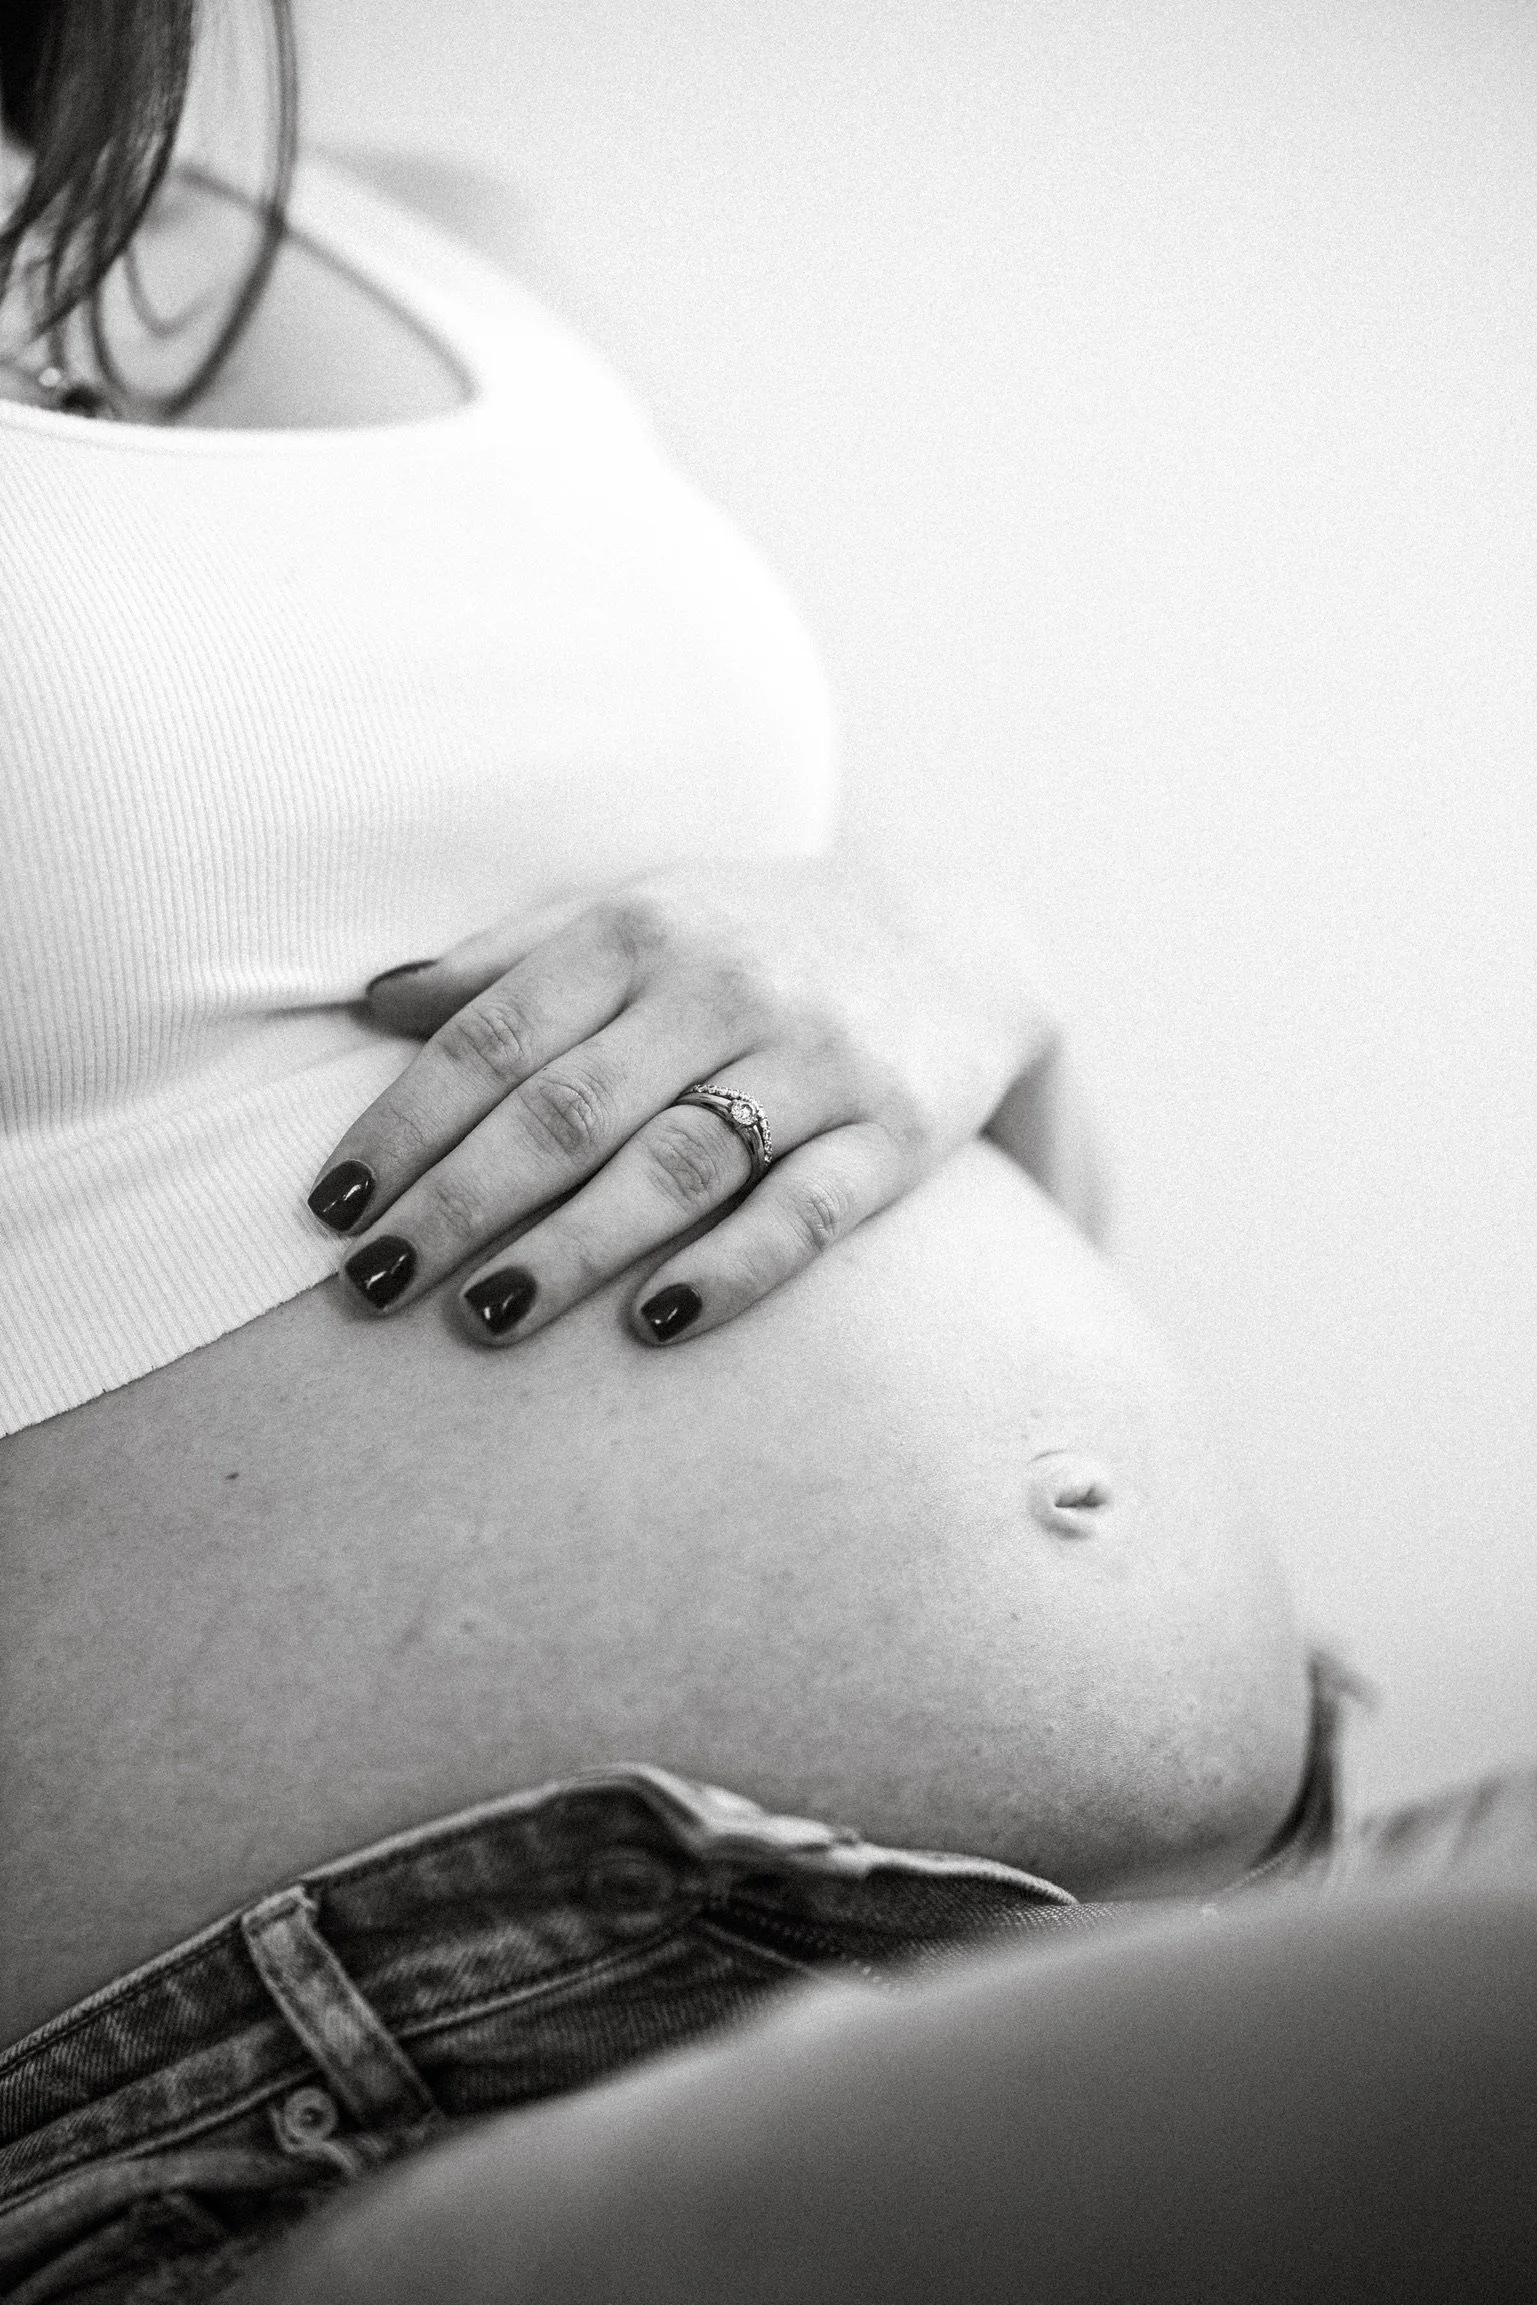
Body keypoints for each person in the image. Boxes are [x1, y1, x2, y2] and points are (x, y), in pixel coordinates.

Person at [0, 7, 1529, 2301]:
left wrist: (943, 957)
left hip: (1203, 1889)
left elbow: (1001, 1149)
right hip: (316, 2119)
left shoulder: (442, 257)